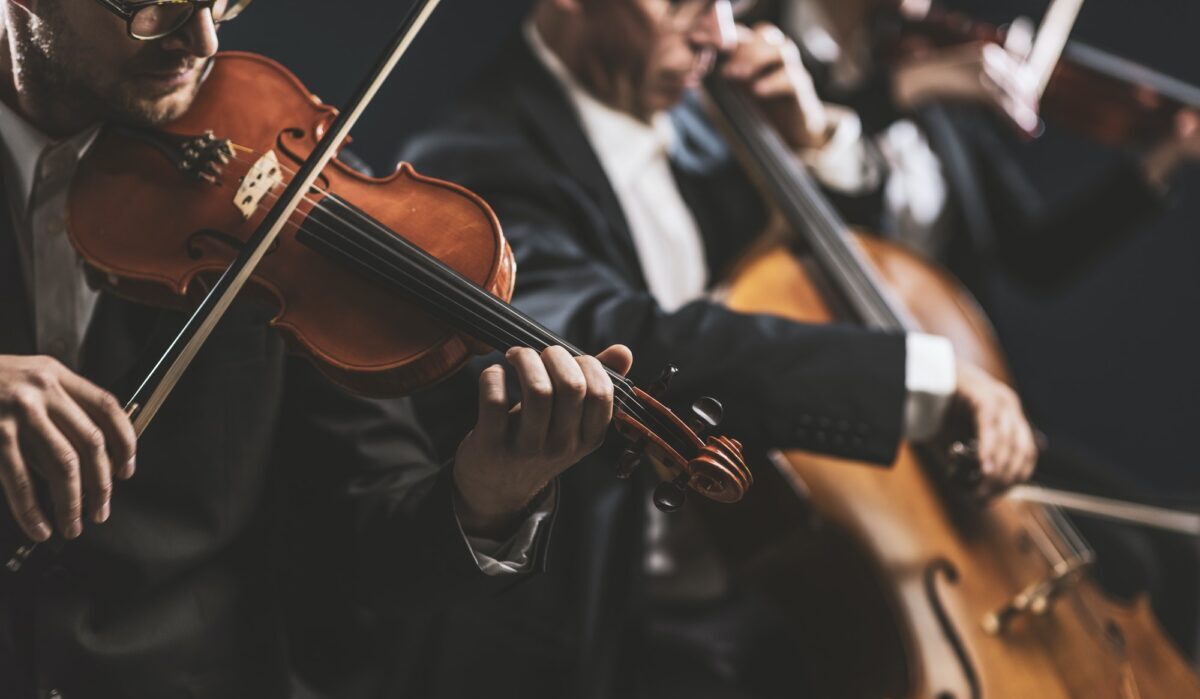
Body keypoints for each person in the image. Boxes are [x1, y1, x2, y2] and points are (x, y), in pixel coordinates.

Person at [402, 0, 1037, 696]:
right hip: (610, 628)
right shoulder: (471, 168)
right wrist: (925, 380)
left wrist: (814, 139)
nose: (721, 33)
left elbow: (845, 279)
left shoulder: (712, 123)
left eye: (727, 3)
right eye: (685, 5)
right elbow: (630, 344)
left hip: (770, 591)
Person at [0, 1, 632, 697]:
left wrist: (487, 496)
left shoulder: (283, 183)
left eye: (222, 3)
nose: (202, 40)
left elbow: (360, 542)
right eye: (159, 7)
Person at [766, 0, 1200, 295]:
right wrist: (905, 88)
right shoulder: (764, 35)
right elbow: (800, 159)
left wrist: (1163, 159)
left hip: (936, 341)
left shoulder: (930, 72)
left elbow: (1037, 262)